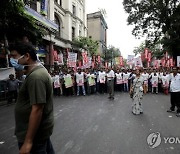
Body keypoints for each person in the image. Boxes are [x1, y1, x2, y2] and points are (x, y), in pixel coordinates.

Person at [9, 42, 55, 154]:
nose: (13, 60)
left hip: (35, 136)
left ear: (27, 56)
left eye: (14, 56)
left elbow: (37, 109)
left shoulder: (36, 77)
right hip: (39, 133)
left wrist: (28, 141)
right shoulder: (36, 73)